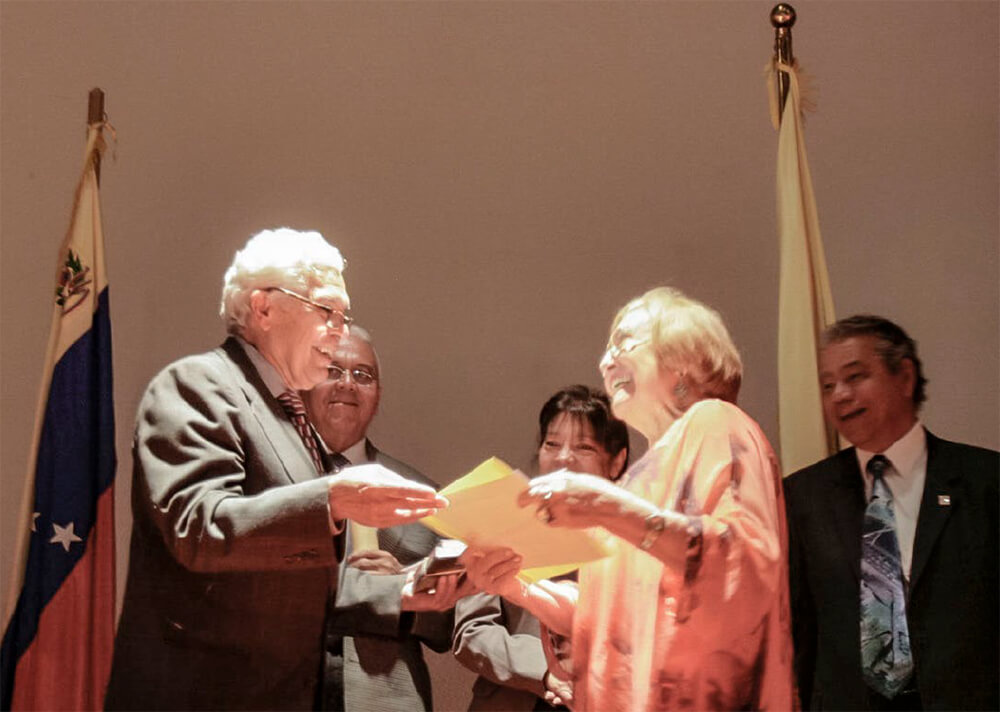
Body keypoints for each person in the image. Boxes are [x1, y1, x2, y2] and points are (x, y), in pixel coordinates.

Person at [105, 228, 452, 711]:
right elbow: (199, 528)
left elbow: (284, 584)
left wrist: (404, 593)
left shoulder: (290, 422)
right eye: (327, 310)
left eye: (344, 315)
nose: (340, 328)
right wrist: (332, 498)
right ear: (264, 309)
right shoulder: (198, 385)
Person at [461, 287, 796, 711]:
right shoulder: (639, 479)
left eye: (624, 342)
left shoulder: (716, 423)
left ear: (683, 358)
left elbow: (741, 562)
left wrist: (609, 507)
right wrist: (518, 587)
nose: (605, 361)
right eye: (606, 349)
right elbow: (610, 620)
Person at [784, 315, 999, 711]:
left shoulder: (985, 481)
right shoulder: (803, 496)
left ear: (904, 377)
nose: (840, 395)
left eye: (855, 376)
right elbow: (800, 629)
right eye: (828, 385)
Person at [302, 326, 461, 712]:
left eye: (363, 375)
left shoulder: (424, 496)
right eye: (333, 371)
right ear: (303, 385)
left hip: (386, 696)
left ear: (378, 395)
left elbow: (447, 629)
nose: (348, 385)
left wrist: (403, 594)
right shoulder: (273, 484)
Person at [452, 385, 629, 711]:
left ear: (616, 462)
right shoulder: (503, 519)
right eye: (552, 443)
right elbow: (471, 631)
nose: (564, 457)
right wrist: (547, 671)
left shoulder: (632, 535)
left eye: (584, 447)